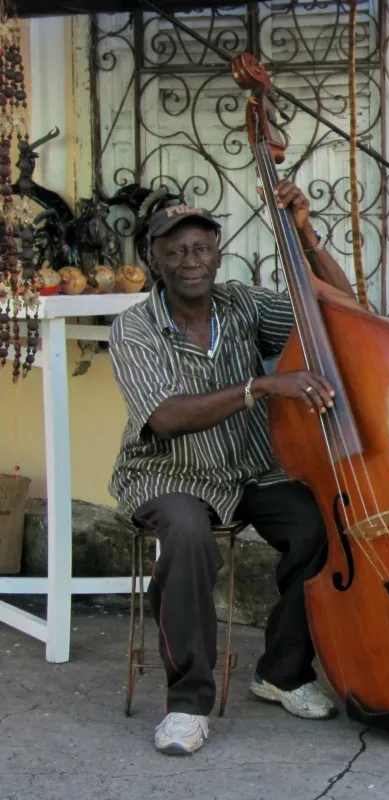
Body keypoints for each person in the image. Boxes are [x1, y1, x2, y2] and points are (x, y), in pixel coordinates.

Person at [107, 181, 356, 755]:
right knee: (189, 533)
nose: (189, 261)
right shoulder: (135, 329)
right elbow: (166, 418)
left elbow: (340, 314)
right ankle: (188, 703)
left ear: (218, 254)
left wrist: (306, 237)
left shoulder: (244, 304)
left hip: (248, 468)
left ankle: (283, 671)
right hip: (169, 473)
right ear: (154, 262)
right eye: (174, 251)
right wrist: (260, 386)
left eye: (200, 248)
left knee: (320, 521)